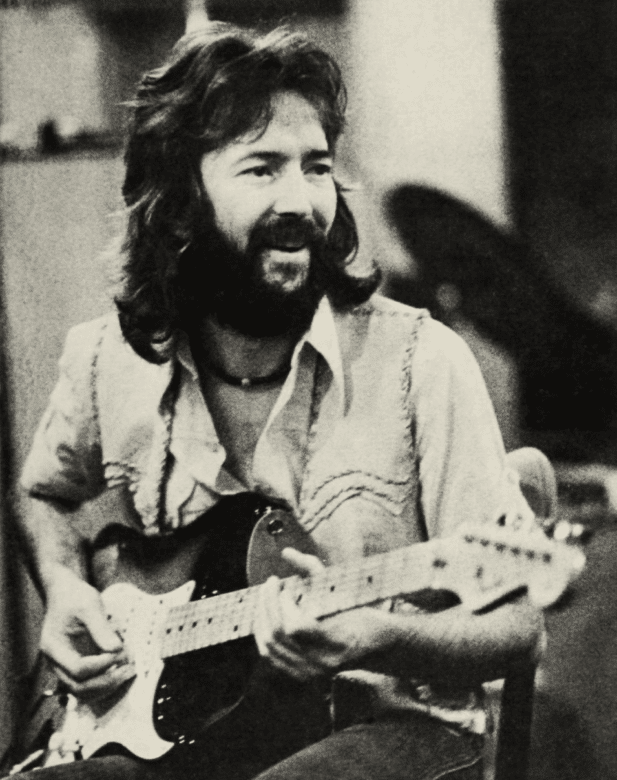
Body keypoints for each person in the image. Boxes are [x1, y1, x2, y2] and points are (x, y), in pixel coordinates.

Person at [13, 23, 545, 780]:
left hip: (387, 723)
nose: (301, 200)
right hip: (166, 734)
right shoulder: (106, 358)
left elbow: (519, 628)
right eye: (262, 168)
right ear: (179, 201)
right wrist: (65, 588)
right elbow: (43, 495)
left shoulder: (419, 362)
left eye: (316, 167)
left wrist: (375, 636)